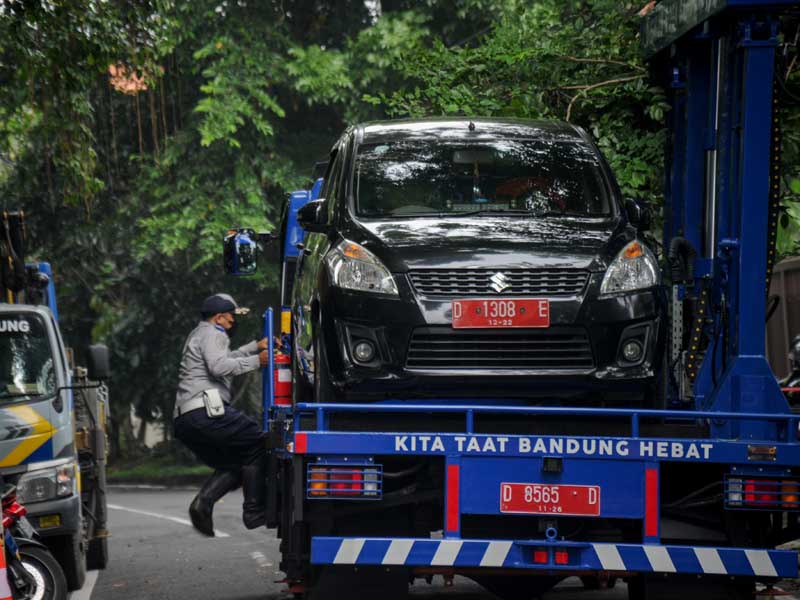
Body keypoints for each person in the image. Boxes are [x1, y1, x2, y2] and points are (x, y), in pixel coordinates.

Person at [173, 293, 269, 536]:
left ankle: (203, 503)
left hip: (186, 419)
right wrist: (258, 360)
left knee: (236, 462)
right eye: (230, 319)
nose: (232, 323)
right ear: (219, 318)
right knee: (259, 443)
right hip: (206, 412)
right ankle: (254, 511)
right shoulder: (215, 334)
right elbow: (220, 367)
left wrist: (253, 348)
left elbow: (224, 359)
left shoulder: (200, 334)